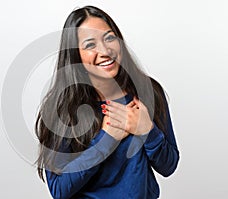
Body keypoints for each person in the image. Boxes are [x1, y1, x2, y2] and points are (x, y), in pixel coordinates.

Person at [35, 5, 179, 199]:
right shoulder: (63, 109)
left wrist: (147, 130)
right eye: (90, 44)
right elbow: (59, 190)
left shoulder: (147, 91)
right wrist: (107, 139)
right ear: (75, 55)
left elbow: (168, 166)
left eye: (109, 38)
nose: (105, 50)